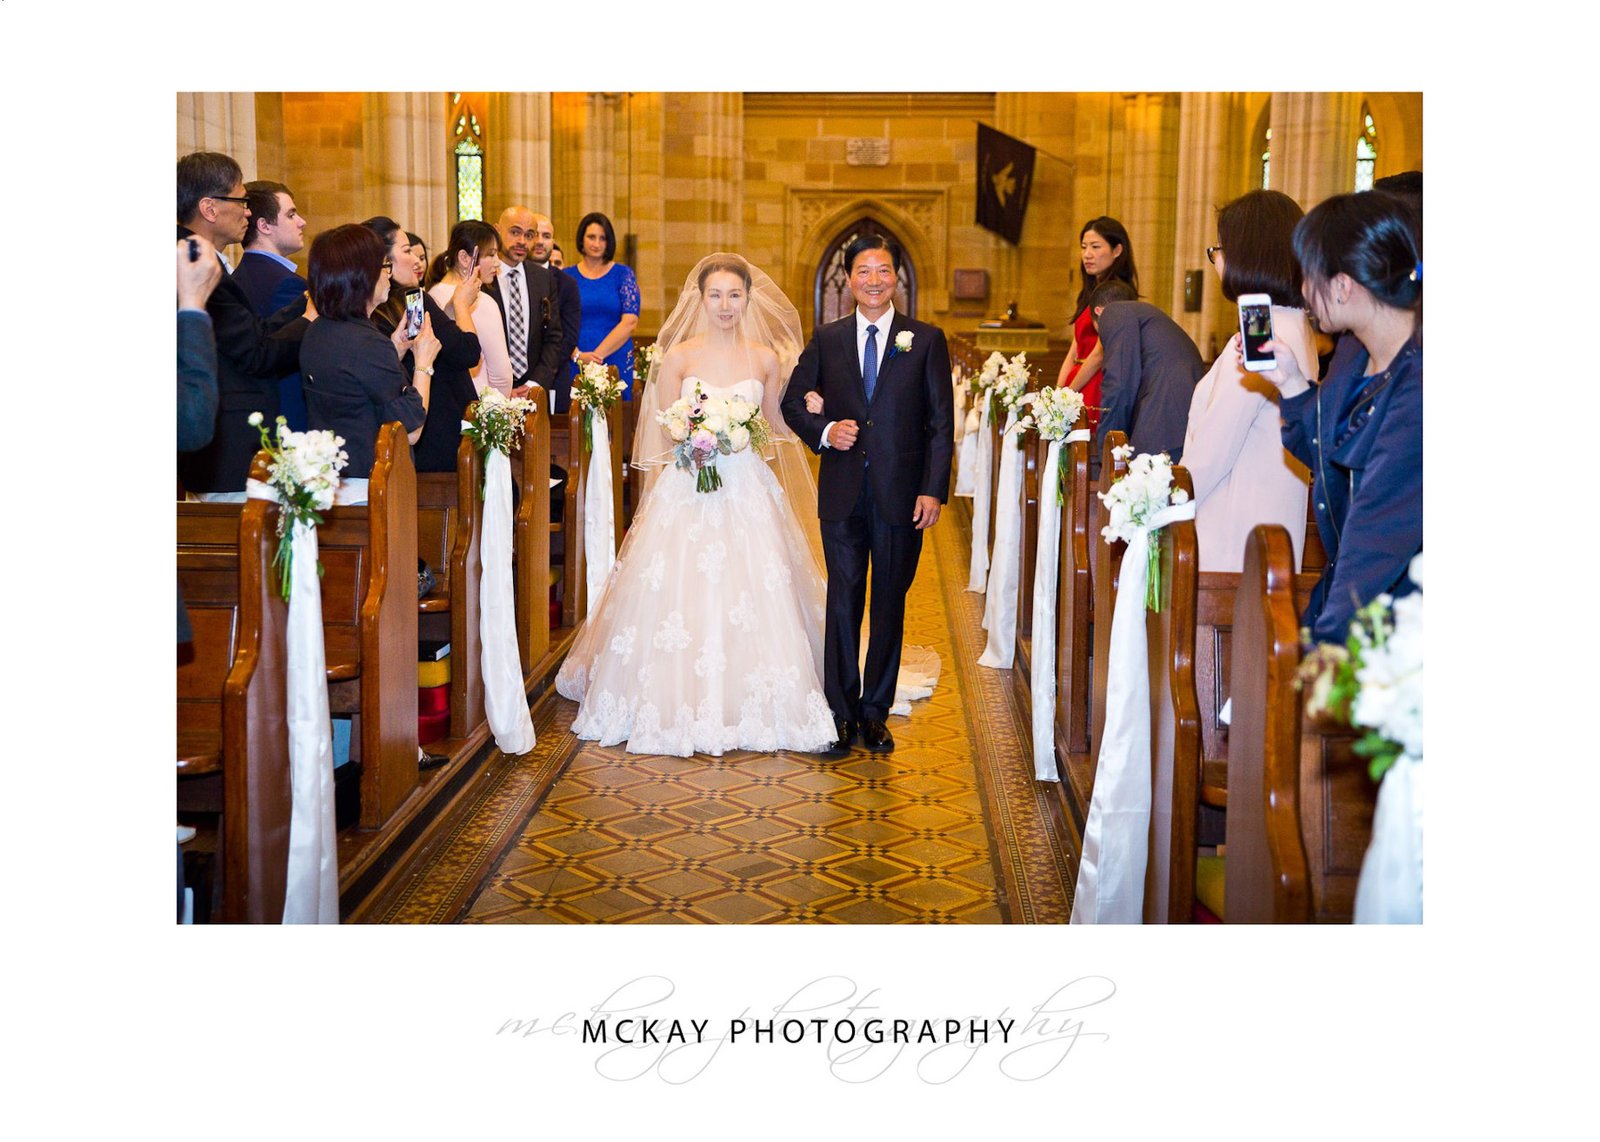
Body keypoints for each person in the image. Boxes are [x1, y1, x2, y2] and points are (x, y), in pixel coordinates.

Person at [554, 254, 836, 757]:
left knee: (755, 593)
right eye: (716, 295)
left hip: (746, 487)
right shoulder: (679, 356)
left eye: (734, 295)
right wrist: (698, 436)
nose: (725, 305)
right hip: (689, 485)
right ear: (700, 299)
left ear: (748, 298)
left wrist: (814, 411)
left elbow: (774, 426)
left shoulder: (765, 358)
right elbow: (663, 425)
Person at [781, 235, 954, 755]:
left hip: (903, 495)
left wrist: (933, 490)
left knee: (889, 603)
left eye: (883, 270)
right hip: (842, 490)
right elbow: (792, 402)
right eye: (863, 271)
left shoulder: (924, 339)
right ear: (850, 279)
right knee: (843, 599)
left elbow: (940, 425)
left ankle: (876, 711)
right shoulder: (828, 338)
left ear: (895, 278)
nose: (873, 280)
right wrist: (827, 428)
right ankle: (840, 712)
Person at [1259, 191, 1422, 643]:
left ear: (1344, 285)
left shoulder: (1419, 384)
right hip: (1340, 599)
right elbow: (1331, 455)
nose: (1304, 293)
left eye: (1308, 276)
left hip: (1392, 627)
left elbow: (1377, 537)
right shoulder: (1353, 352)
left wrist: (1324, 658)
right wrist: (1292, 384)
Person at [1180, 189, 1314, 572]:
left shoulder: (1263, 326)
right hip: (1266, 530)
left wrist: (1157, 505)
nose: (1216, 258)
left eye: (1220, 248)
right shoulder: (1294, 320)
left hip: (1232, 539)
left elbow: (1212, 450)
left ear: (1249, 252)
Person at [175, 151, 311, 500]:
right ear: (210, 208)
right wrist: (309, 318)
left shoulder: (203, 259)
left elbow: (253, 329)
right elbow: (256, 353)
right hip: (228, 454)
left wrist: (307, 304)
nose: (248, 211)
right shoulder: (193, 263)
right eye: (241, 200)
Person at [300, 224, 437, 503]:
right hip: (370, 489)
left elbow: (356, 387)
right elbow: (410, 430)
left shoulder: (318, 330)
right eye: (384, 265)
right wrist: (424, 363)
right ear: (363, 277)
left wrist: (395, 349)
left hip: (333, 482)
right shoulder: (366, 342)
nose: (388, 275)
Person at [1089, 279, 1204, 474]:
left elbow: (1119, 386)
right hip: (1178, 420)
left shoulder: (1114, 312)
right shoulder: (1147, 317)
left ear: (1099, 311)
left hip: (1164, 421)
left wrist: (1106, 452)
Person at [417, 220, 505, 472]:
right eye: (490, 254)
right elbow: (501, 374)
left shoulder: (432, 294)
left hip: (442, 414)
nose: (498, 263)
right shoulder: (482, 302)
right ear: (465, 258)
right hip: (477, 412)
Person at [232, 180, 310, 430]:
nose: (302, 222)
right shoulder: (288, 285)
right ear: (264, 225)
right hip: (287, 417)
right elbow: (292, 355)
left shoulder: (236, 277)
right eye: (291, 214)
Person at [1055, 216, 1138, 434]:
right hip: (1078, 382)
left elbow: (1099, 353)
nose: (1087, 254)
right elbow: (1075, 348)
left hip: (1094, 383)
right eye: (1083, 247)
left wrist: (1067, 394)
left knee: (1083, 454)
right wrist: (1058, 390)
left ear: (1117, 250)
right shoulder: (1091, 292)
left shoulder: (1118, 293)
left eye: (1095, 246)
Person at [489, 205, 564, 397]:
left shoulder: (543, 278)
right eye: (515, 232)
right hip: (490, 393)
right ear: (497, 231)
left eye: (529, 235)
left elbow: (554, 338)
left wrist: (535, 384)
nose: (522, 241)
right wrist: (498, 388)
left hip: (534, 392)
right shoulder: (482, 278)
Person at [566, 212, 641, 397]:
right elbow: (558, 324)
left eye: (603, 238)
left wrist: (596, 357)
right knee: (576, 419)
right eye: (591, 237)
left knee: (617, 419)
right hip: (577, 359)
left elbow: (630, 321)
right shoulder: (566, 276)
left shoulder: (623, 274)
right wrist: (578, 355)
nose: (597, 243)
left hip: (614, 357)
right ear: (581, 239)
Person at [527, 214, 581, 413]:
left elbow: (568, 337)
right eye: (535, 235)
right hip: (515, 380)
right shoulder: (509, 278)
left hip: (554, 377)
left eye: (547, 236)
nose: (540, 241)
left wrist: (539, 375)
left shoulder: (567, 284)